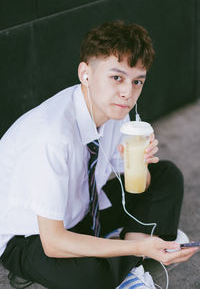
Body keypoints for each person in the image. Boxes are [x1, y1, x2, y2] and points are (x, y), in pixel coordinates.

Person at [0, 21, 198, 289]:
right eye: (117, 77)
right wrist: (140, 245)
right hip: (30, 237)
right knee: (91, 276)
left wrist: (141, 168)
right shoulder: (52, 136)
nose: (128, 93)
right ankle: (134, 250)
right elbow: (54, 242)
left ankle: (122, 248)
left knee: (167, 175)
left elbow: (133, 187)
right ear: (86, 74)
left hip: (82, 212)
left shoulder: (116, 111)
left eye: (137, 81)